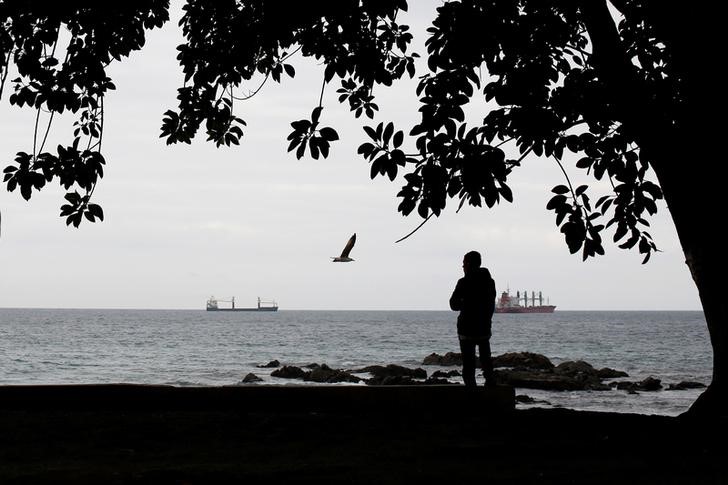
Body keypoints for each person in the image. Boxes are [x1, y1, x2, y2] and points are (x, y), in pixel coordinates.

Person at [449, 250, 497, 387]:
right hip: (484, 328)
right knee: (486, 362)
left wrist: (465, 303)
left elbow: (453, 304)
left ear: (469, 264)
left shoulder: (463, 282)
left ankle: (472, 397)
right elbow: (490, 304)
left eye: (464, 263)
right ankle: (491, 391)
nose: (462, 266)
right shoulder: (490, 282)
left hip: (466, 329)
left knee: (468, 365)